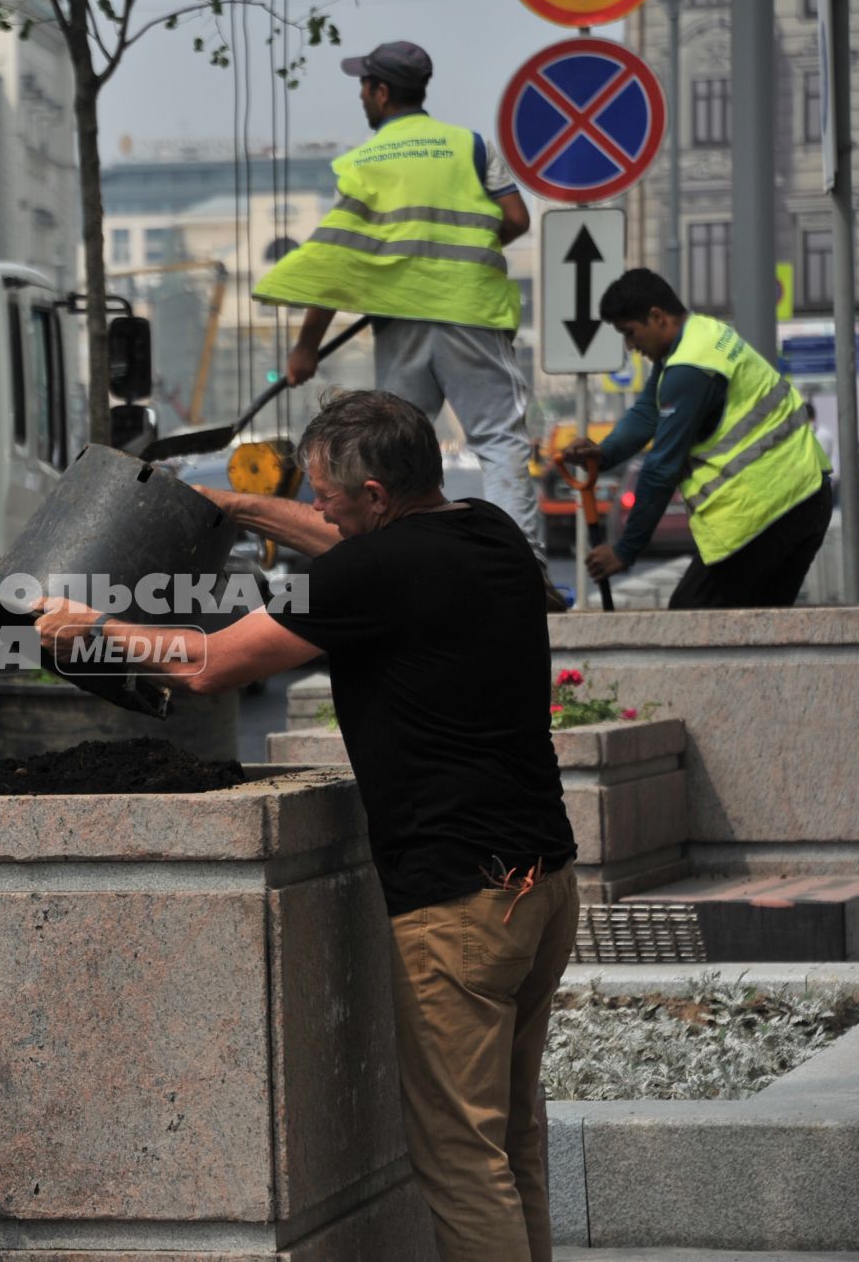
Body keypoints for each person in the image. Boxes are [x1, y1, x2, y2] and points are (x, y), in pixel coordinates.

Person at [34, 390, 578, 1262]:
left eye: (323, 493)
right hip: (543, 883)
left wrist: (90, 627)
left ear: (374, 497)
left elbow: (209, 664)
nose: (313, 508)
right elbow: (349, 551)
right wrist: (239, 503)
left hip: (460, 903)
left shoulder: (369, 573)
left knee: (462, 1160)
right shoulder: (485, 531)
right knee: (512, 1138)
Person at [251, 40, 548, 564]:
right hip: (471, 314)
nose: (362, 96)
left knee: (389, 453)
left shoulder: (364, 163)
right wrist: (460, 253)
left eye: (364, 86)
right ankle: (520, 565)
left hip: (402, 323)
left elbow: (338, 260)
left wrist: (305, 349)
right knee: (499, 441)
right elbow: (518, 220)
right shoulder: (472, 146)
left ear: (382, 92)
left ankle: (397, 563)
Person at [561, 269, 833, 609]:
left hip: (762, 515)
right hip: (807, 497)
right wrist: (603, 454)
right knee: (763, 633)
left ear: (657, 317)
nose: (631, 346)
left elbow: (661, 468)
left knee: (688, 623)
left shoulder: (689, 369)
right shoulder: (700, 337)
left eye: (630, 333)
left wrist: (625, 550)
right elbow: (648, 411)